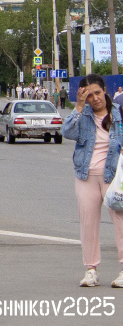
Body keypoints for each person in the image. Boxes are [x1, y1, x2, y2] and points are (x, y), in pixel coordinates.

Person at [64, 73, 123, 288]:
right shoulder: (83, 114)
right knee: (88, 223)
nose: (95, 98)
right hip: (86, 176)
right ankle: (91, 270)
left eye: (97, 92)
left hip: (114, 176)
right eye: (89, 95)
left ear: (105, 91)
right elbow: (67, 132)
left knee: (121, 222)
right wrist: (78, 107)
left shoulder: (118, 113)